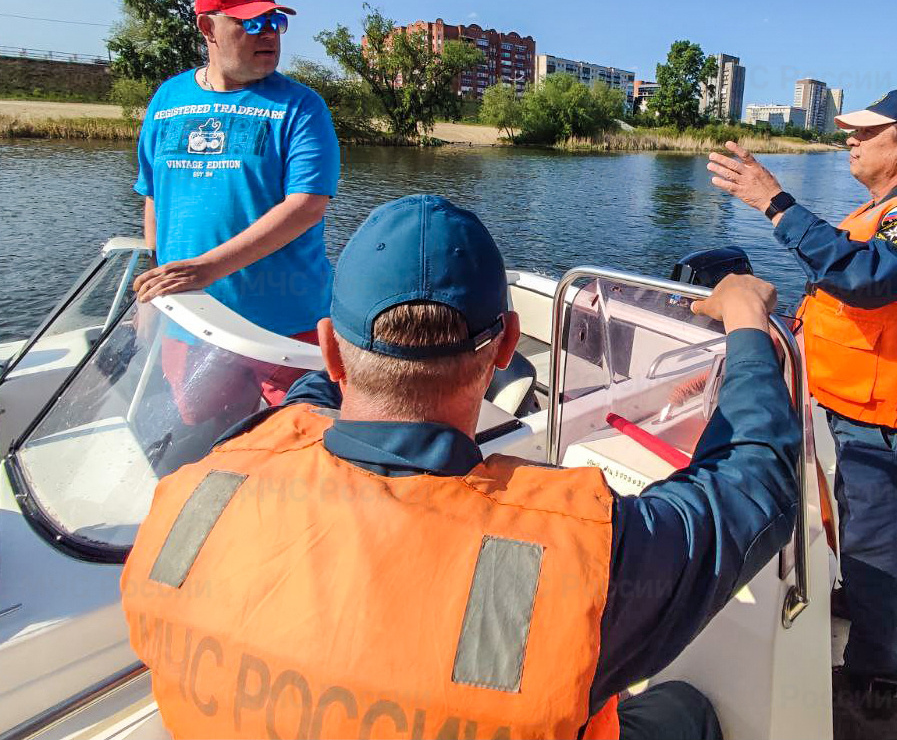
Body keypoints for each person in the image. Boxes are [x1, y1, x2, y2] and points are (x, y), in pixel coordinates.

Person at [120, 194, 801, 740]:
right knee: (687, 710)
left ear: (329, 352)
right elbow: (754, 482)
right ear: (506, 343)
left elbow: (310, 401)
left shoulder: (196, 494)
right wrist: (744, 323)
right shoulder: (580, 558)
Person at [707, 88, 897, 702]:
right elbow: (850, 298)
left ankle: (873, 682)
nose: (851, 140)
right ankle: (860, 605)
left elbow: (867, 281)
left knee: (883, 553)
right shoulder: (894, 214)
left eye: (868, 134)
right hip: (867, 412)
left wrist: (774, 202)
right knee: (863, 531)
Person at [132, 0, 341, 418]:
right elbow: (153, 196)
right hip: (192, 321)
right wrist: (155, 288)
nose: (268, 35)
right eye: (250, 23)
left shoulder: (302, 107)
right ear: (207, 28)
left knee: (297, 446)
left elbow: (306, 207)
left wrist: (206, 268)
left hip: (290, 331)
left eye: (274, 22)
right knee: (197, 433)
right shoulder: (167, 99)